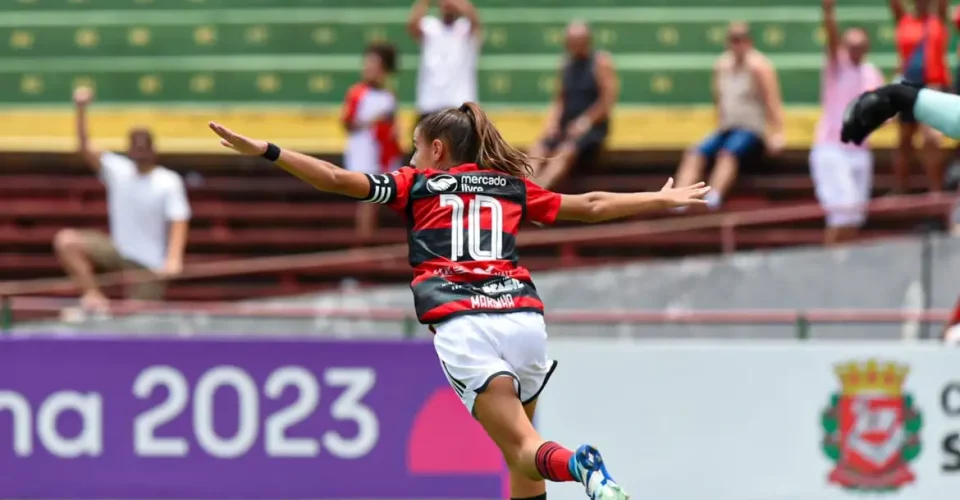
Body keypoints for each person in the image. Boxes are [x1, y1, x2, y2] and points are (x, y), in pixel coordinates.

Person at [207, 102, 710, 500]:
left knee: (524, 447)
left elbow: (338, 179)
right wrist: (659, 198)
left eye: (415, 148)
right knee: (520, 457)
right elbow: (591, 205)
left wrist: (268, 152)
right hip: (523, 321)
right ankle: (569, 464)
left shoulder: (417, 185)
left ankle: (580, 464)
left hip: (466, 324)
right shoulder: (507, 187)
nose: (410, 159)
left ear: (438, 150)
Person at [54, 86, 191, 311]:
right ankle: (94, 297)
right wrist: (80, 109)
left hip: (149, 263)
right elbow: (84, 145)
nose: (139, 149)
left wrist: (173, 259)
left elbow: (179, 220)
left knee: (136, 318)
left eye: (143, 145)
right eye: (135, 144)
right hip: (117, 252)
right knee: (67, 241)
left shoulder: (168, 181)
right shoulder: (119, 171)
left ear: (153, 149)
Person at [673, 21, 785, 211]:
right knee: (694, 152)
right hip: (727, 127)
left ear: (749, 42)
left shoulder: (759, 66)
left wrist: (778, 133)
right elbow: (719, 100)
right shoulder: (722, 65)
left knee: (728, 153)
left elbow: (772, 101)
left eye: (740, 40)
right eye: (733, 40)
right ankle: (678, 198)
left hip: (751, 129)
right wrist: (718, 123)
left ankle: (714, 196)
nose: (736, 44)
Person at [810, 0, 885, 245]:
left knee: (854, 216)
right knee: (841, 215)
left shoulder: (871, 73)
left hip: (860, 151)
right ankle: (828, 264)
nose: (855, 49)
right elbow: (831, 38)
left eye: (859, 45)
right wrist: (829, 12)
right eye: (850, 45)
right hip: (833, 149)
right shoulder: (836, 66)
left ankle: (842, 264)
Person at [527, 21, 618, 190]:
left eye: (578, 41)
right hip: (567, 125)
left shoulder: (600, 62)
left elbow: (607, 101)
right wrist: (552, 124)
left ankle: (538, 192)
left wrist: (585, 122)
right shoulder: (566, 64)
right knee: (537, 148)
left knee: (564, 152)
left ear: (587, 41)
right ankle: (524, 188)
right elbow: (560, 100)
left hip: (592, 128)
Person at [342, 42, 402, 242]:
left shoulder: (389, 94)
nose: (368, 69)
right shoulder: (357, 93)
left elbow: (395, 124)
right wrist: (373, 120)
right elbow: (348, 121)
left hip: (383, 152)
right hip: (364, 151)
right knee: (367, 199)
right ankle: (363, 242)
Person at [888, 0, 949, 193]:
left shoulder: (937, 19)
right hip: (908, 86)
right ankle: (899, 189)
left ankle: (936, 190)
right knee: (905, 140)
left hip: (932, 87)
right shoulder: (904, 20)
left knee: (930, 139)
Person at [408, 0, 481, 126]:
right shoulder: (430, 26)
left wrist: (458, 4)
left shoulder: (464, 27)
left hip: (460, 105)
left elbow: (475, 21)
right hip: (430, 105)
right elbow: (413, 26)